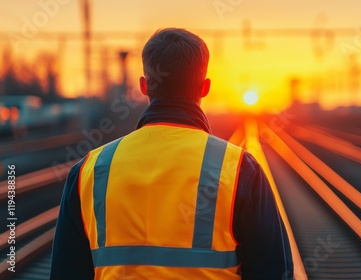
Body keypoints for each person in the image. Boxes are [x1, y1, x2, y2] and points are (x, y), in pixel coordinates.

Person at [50, 28, 293, 279]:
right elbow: (274, 271)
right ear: (205, 87)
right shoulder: (241, 169)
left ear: (144, 86)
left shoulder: (89, 170)